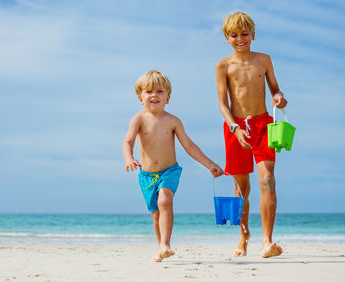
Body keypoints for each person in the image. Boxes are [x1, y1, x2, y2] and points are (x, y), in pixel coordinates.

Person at [123, 70, 223, 262]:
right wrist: (129, 158)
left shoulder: (173, 121)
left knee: (165, 200)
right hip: (147, 175)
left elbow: (190, 146)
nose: (154, 95)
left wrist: (209, 164)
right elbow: (127, 142)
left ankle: (166, 243)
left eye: (160, 91)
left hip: (170, 171)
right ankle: (161, 247)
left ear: (167, 98)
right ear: (140, 97)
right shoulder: (138, 119)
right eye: (149, 91)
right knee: (155, 214)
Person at [215, 11, 287, 258]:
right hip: (235, 127)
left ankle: (267, 242)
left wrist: (278, 97)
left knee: (267, 179)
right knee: (241, 189)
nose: (240, 38)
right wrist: (235, 128)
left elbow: (275, 88)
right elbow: (223, 105)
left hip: (263, 124)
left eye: (245, 33)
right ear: (227, 38)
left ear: (253, 35)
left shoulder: (264, 59)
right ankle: (243, 236)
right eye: (234, 35)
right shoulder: (222, 66)